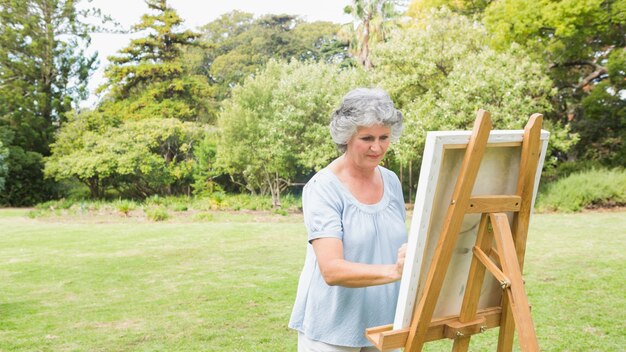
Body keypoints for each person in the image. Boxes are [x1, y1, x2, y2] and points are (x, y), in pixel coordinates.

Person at [289, 88, 408, 351]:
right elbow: (331, 270)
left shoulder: (391, 181)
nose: (377, 147)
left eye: (384, 137)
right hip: (332, 329)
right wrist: (394, 272)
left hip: (385, 327)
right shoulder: (323, 187)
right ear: (346, 137)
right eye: (366, 138)